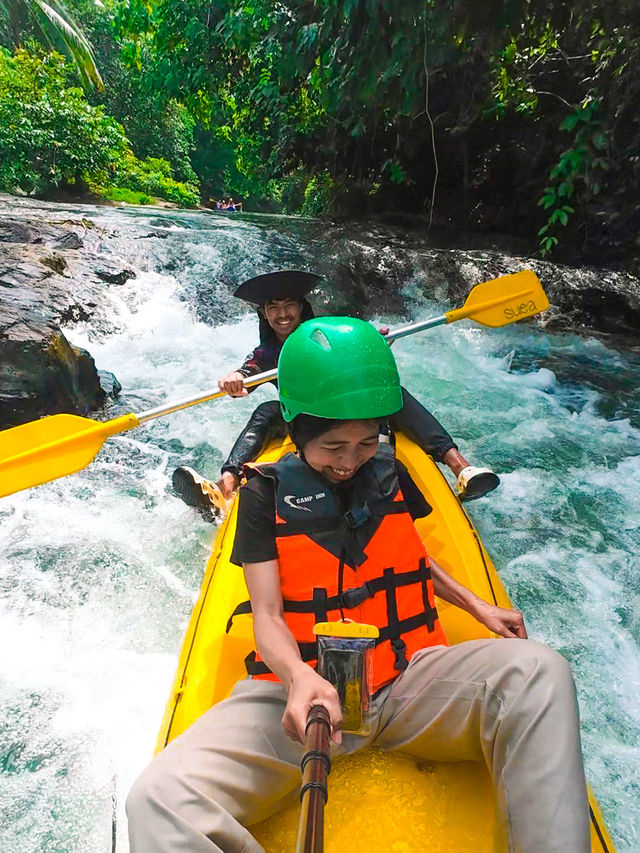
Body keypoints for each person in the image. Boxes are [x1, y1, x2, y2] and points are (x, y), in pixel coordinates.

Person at [128, 317, 590, 852]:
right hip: (301, 701)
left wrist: (478, 606)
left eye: (366, 442)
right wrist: (298, 679)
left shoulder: (391, 472)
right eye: (333, 446)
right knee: (157, 799)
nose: (350, 461)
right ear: (298, 435)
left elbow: (409, 560)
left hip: (406, 682)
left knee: (540, 671)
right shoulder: (262, 495)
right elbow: (269, 616)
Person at [172, 270, 499, 519]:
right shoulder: (267, 353)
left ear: (301, 308)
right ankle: (224, 487)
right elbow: (247, 374)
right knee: (267, 411)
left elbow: (362, 351)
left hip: (349, 413)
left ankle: (461, 468)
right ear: (264, 314)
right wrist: (235, 379)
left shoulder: (328, 334)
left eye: (289, 305)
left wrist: (374, 342)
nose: (283, 314)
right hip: (308, 424)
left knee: (393, 393)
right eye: (274, 308)